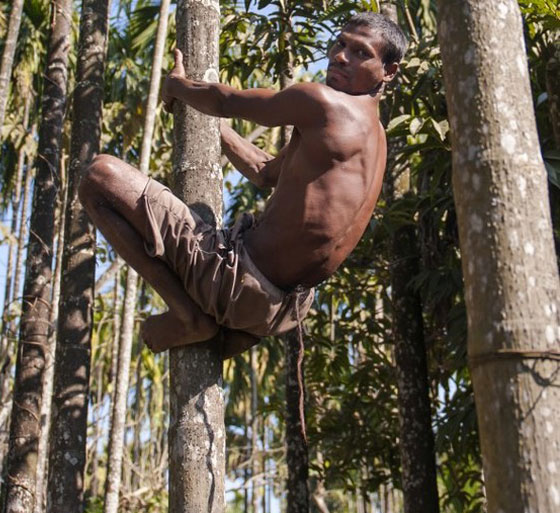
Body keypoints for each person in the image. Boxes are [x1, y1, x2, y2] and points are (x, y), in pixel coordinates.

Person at [78, 12, 407, 359]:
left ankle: (187, 316)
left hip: (233, 281)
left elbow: (225, 101)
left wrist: (176, 86)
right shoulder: (373, 138)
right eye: (340, 44)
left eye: (360, 52)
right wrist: (215, 131)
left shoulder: (323, 103)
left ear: (389, 71)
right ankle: (219, 322)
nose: (341, 56)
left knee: (98, 176)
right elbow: (263, 172)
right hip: (278, 312)